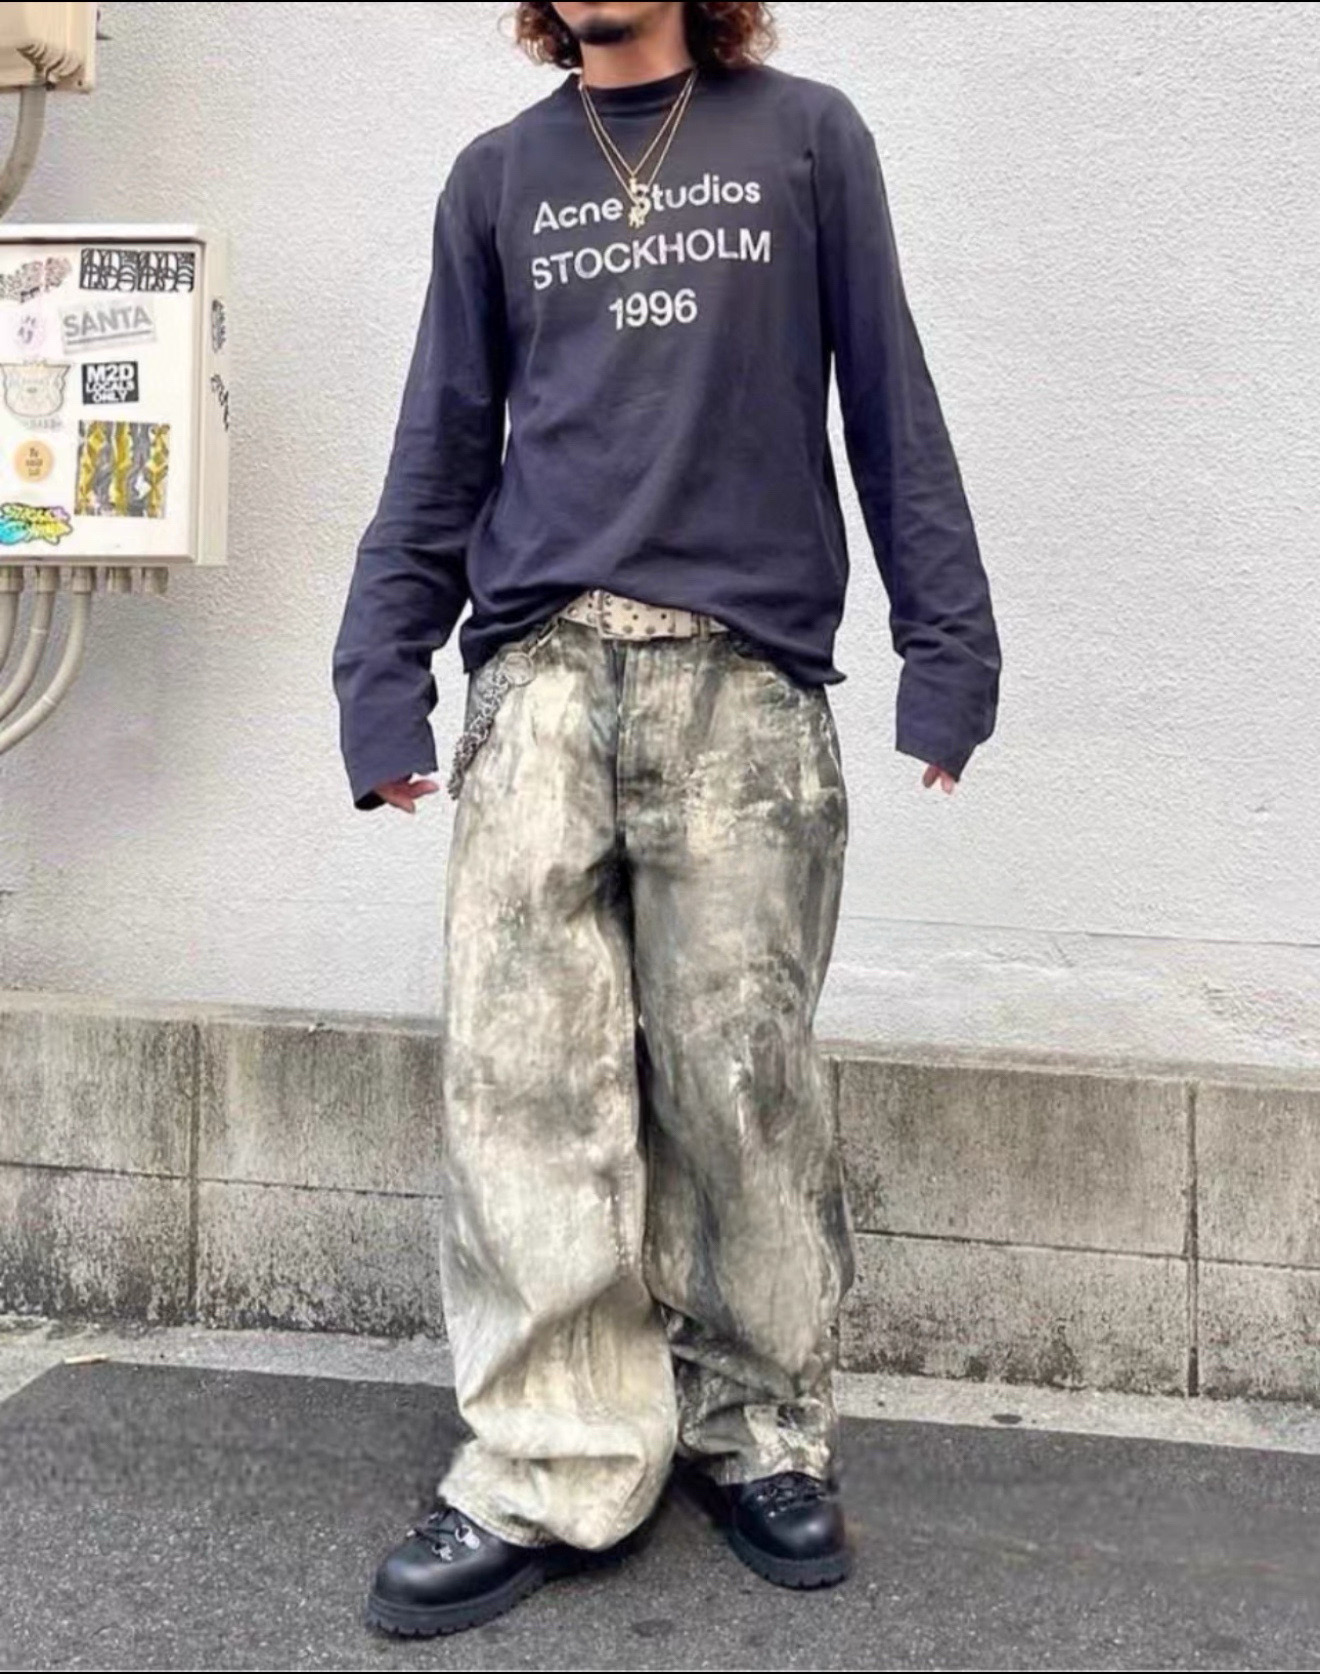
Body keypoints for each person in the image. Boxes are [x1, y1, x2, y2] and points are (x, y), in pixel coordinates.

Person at [331, 0, 1001, 1639]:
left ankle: (757, 1426)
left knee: (741, 1081)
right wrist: (378, 672)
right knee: (522, 1083)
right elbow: (442, 437)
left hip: (743, 678)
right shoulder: (497, 178)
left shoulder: (808, 140)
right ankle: (551, 1454)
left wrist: (950, 647)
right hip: (542, 676)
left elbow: (887, 396)